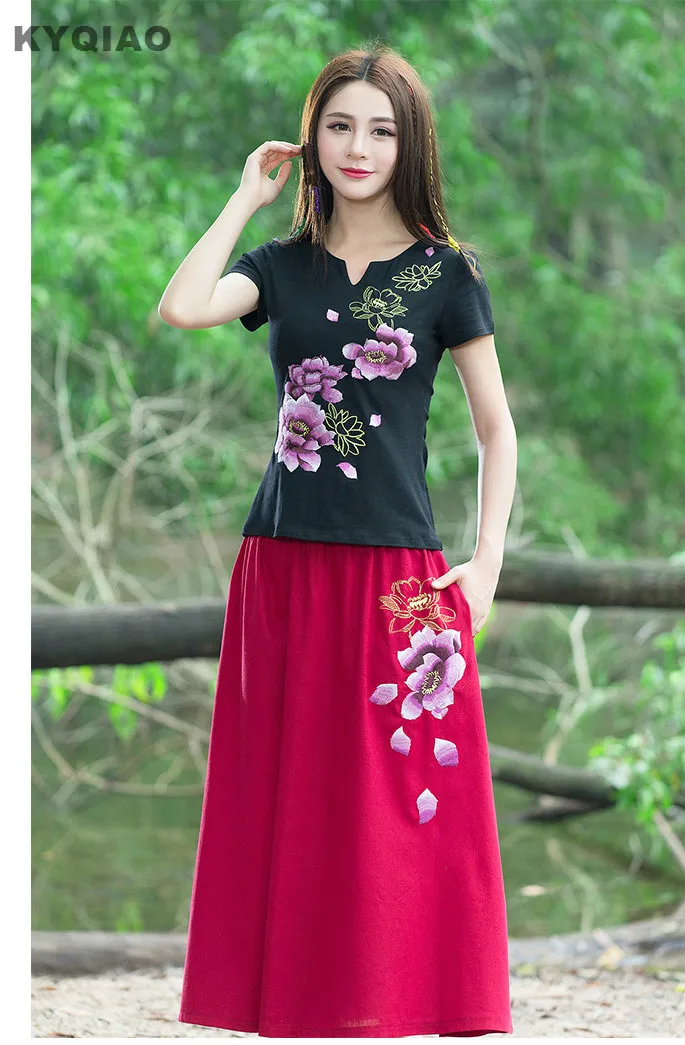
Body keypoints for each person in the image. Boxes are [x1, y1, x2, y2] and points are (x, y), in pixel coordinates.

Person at [159, 43, 517, 1039]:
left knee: (410, 795)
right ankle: (298, 1010)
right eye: (341, 125)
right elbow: (183, 307)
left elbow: (497, 431)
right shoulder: (281, 267)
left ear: (411, 144)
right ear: (313, 138)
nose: (360, 147)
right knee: (291, 802)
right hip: (281, 566)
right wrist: (245, 200)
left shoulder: (448, 274)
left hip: (400, 573)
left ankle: (410, 1007)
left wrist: (487, 563)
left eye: (382, 129)